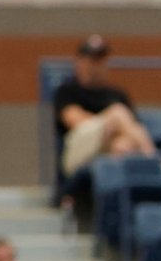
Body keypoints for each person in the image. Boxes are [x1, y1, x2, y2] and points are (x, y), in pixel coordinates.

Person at [51, 35, 154, 179]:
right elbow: (76, 122)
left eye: (101, 60)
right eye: (92, 60)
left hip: (108, 148)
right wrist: (110, 122)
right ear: (80, 62)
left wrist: (115, 130)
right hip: (77, 151)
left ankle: (121, 195)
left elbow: (134, 127)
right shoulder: (67, 91)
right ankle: (153, 159)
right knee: (118, 113)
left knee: (122, 145)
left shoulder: (117, 94)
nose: (96, 66)